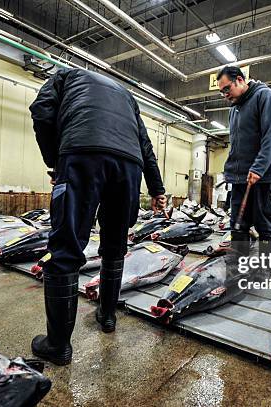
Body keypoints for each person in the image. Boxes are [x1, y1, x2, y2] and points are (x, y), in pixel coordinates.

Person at [29, 68, 167, 365]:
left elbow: (41, 111)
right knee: (116, 244)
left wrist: (55, 160)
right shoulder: (128, 97)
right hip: (129, 165)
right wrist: (157, 189)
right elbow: (146, 146)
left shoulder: (65, 75)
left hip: (82, 152)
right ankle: (107, 316)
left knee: (67, 246)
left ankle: (58, 345)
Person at [217, 65, 271, 265]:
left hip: (264, 178)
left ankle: (264, 273)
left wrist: (259, 167)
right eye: (221, 92)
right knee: (238, 226)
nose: (225, 95)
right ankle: (238, 271)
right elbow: (236, 145)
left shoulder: (265, 97)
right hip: (240, 178)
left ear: (240, 79)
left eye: (226, 89)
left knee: (265, 227)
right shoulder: (235, 109)